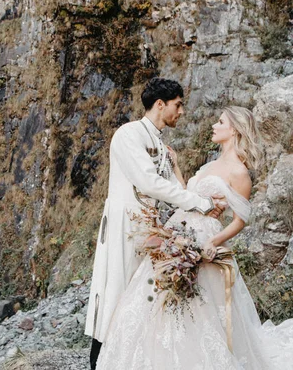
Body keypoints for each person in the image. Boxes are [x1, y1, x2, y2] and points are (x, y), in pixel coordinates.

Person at [96, 106, 293, 369]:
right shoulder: (210, 164)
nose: (214, 125)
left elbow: (240, 220)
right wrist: (176, 165)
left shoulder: (239, 172)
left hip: (204, 241)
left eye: (220, 122)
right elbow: (186, 194)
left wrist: (213, 242)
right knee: (156, 298)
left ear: (233, 129)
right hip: (178, 233)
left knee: (198, 306)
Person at [84, 78, 226, 369]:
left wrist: (202, 202)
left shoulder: (162, 145)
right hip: (126, 225)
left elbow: (176, 190)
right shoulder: (129, 134)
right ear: (160, 105)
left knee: (144, 297)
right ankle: (98, 363)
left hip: (153, 229)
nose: (182, 112)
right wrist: (200, 204)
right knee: (117, 293)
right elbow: (148, 182)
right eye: (178, 105)